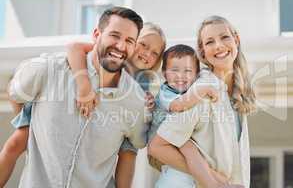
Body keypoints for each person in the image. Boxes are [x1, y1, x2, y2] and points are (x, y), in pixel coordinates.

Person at [0, 22, 166, 188]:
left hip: (118, 123)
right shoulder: (108, 52)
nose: (146, 53)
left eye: (154, 53)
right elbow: (74, 47)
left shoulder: (145, 80)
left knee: (129, 153)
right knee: (17, 142)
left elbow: (145, 106)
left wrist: (149, 104)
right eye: (143, 45)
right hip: (62, 103)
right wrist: (84, 84)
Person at [148, 16, 256, 188]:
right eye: (210, 42)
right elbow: (157, 147)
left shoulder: (236, 93)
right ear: (202, 51)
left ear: (236, 39)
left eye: (224, 37)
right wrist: (216, 180)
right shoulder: (201, 91)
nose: (219, 45)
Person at [147, 44, 226, 188]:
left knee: (192, 152)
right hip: (160, 136)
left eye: (187, 71)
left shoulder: (189, 89)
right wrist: (203, 90)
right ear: (164, 73)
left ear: (196, 75)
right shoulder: (166, 91)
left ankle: (215, 180)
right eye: (174, 70)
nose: (180, 76)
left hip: (174, 136)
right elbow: (179, 105)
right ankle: (213, 183)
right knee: (189, 149)